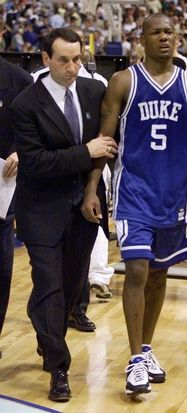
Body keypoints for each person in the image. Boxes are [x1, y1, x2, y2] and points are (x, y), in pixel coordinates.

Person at [81, 13, 187, 396]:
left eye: (169, 32)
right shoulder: (124, 81)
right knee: (137, 269)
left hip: (173, 194)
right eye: (156, 32)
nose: (164, 38)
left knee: (158, 273)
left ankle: (145, 348)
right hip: (133, 193)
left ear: (177, 39)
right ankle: (135, 360)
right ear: (141, 39)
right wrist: (93, 188)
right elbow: (105, 141)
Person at [10, 28, 117, 402]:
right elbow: (36, 163)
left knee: (71, 287)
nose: (73, 68)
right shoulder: (25, 104)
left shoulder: (93, 92)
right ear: (45, 60)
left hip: (83, 208)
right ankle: (59, 368)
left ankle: (44, 320)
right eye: (64, 61)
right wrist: (86, 151)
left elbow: (106, 147)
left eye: (78, 59)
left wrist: (92, 184)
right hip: (39, 209)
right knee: (52, 288)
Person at [0, 18, 33, 358]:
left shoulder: (19, 80)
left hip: (2, 190)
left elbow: (34, 132)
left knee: (1, 268)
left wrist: (20, 151)